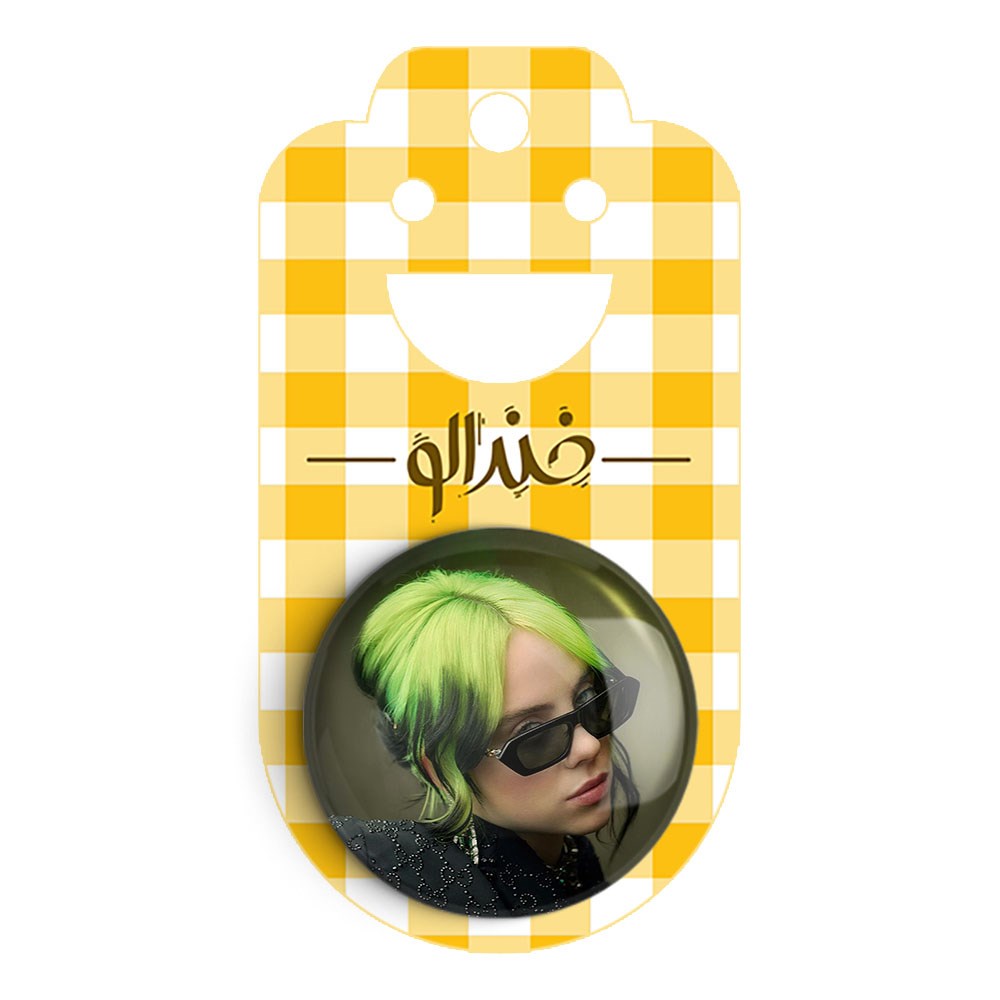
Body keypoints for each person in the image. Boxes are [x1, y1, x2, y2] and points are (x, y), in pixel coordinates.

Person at [331, 568, 640, 917]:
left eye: (587, 698)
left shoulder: (574, 859)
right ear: (438, 766)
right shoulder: (398, 869)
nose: (589, 746)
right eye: (531, 733)